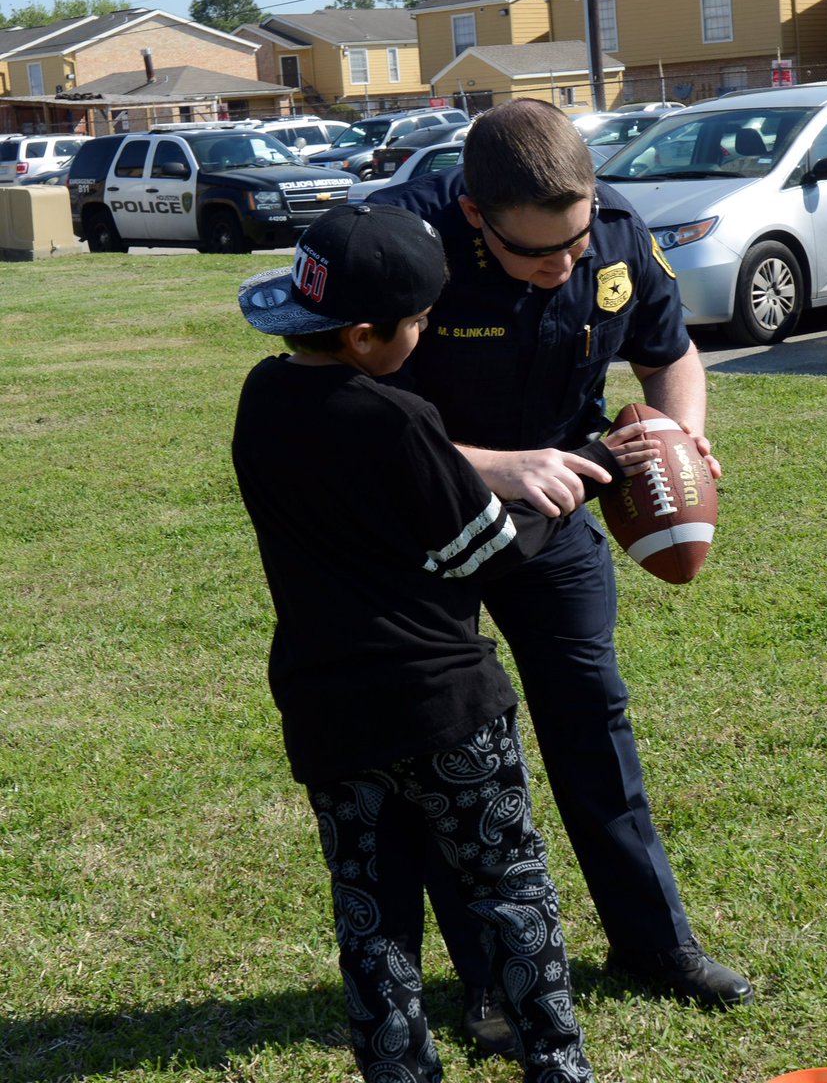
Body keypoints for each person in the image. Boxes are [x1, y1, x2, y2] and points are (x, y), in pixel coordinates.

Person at [231, 203, 658, 1083]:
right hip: (442, 710)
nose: (424, 337)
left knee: (372, 915)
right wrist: (592, 468)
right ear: (361, 335)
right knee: (510, 892)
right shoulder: (397, 419)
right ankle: (557, 1068)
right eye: (418, 322)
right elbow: (486, 555)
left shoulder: (262, 399)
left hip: (325, 712)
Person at [377, 99, 754, 1052]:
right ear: (474, 216)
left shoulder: (614, 233)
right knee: (448, 759)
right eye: (537, 254)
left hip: (556, 518)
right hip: (423, 524)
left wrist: (679, 425)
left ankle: (654, 944)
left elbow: (672, 353)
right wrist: (487, 465)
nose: (566, 265)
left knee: (593, 720)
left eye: (576, 241)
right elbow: (352, 414)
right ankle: (493, 982)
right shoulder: (401, 243)